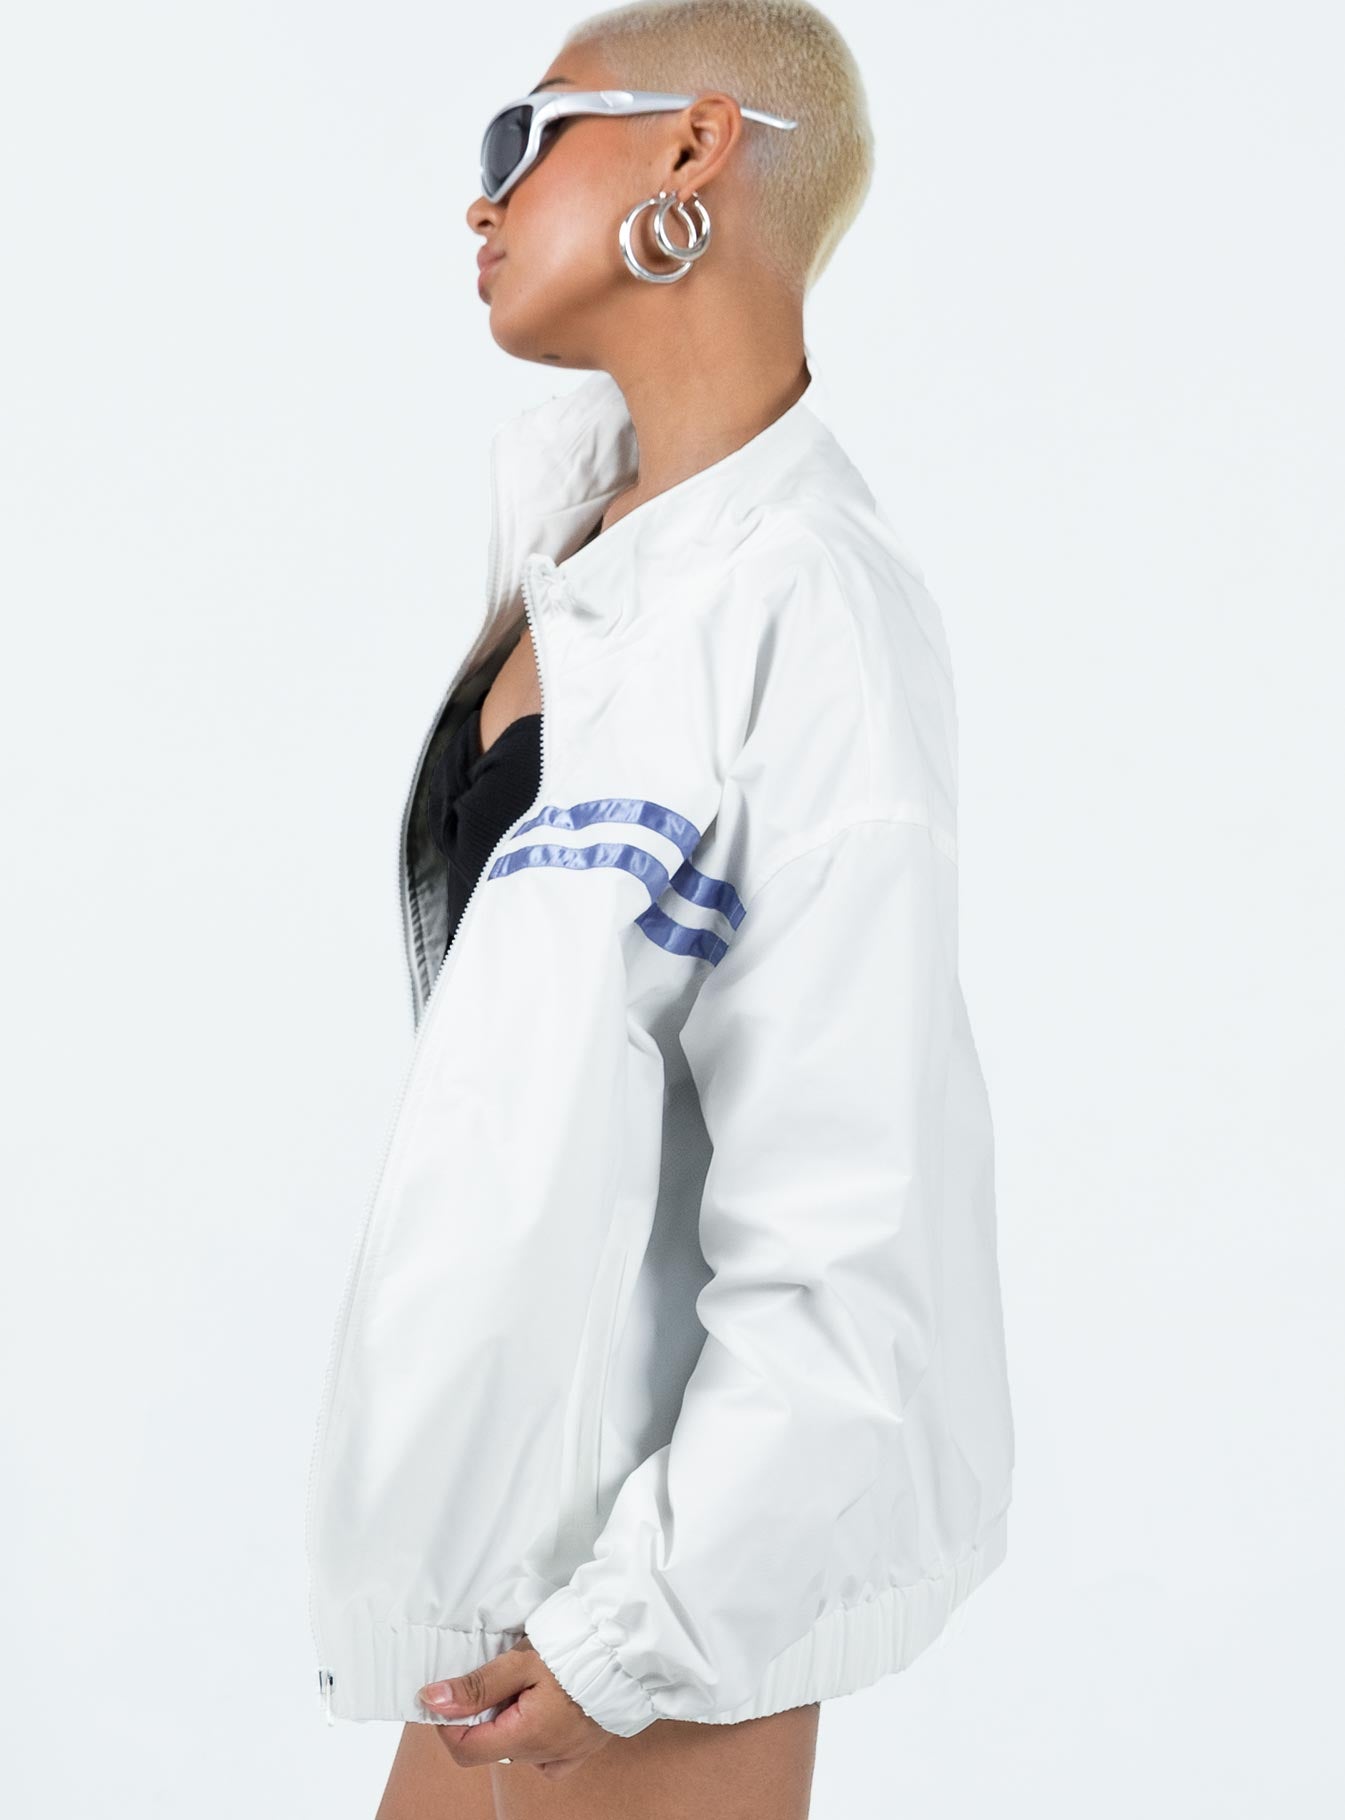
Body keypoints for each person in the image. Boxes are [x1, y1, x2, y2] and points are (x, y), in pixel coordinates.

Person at [305, 4, 1016, 1815]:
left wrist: (642, 1626)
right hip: (506, 1561)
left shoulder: (807, 605)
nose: (479, 203)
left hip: (651, 1602)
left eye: (521, 136)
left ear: (692, 149)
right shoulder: (586, 561)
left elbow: (851, 1198)